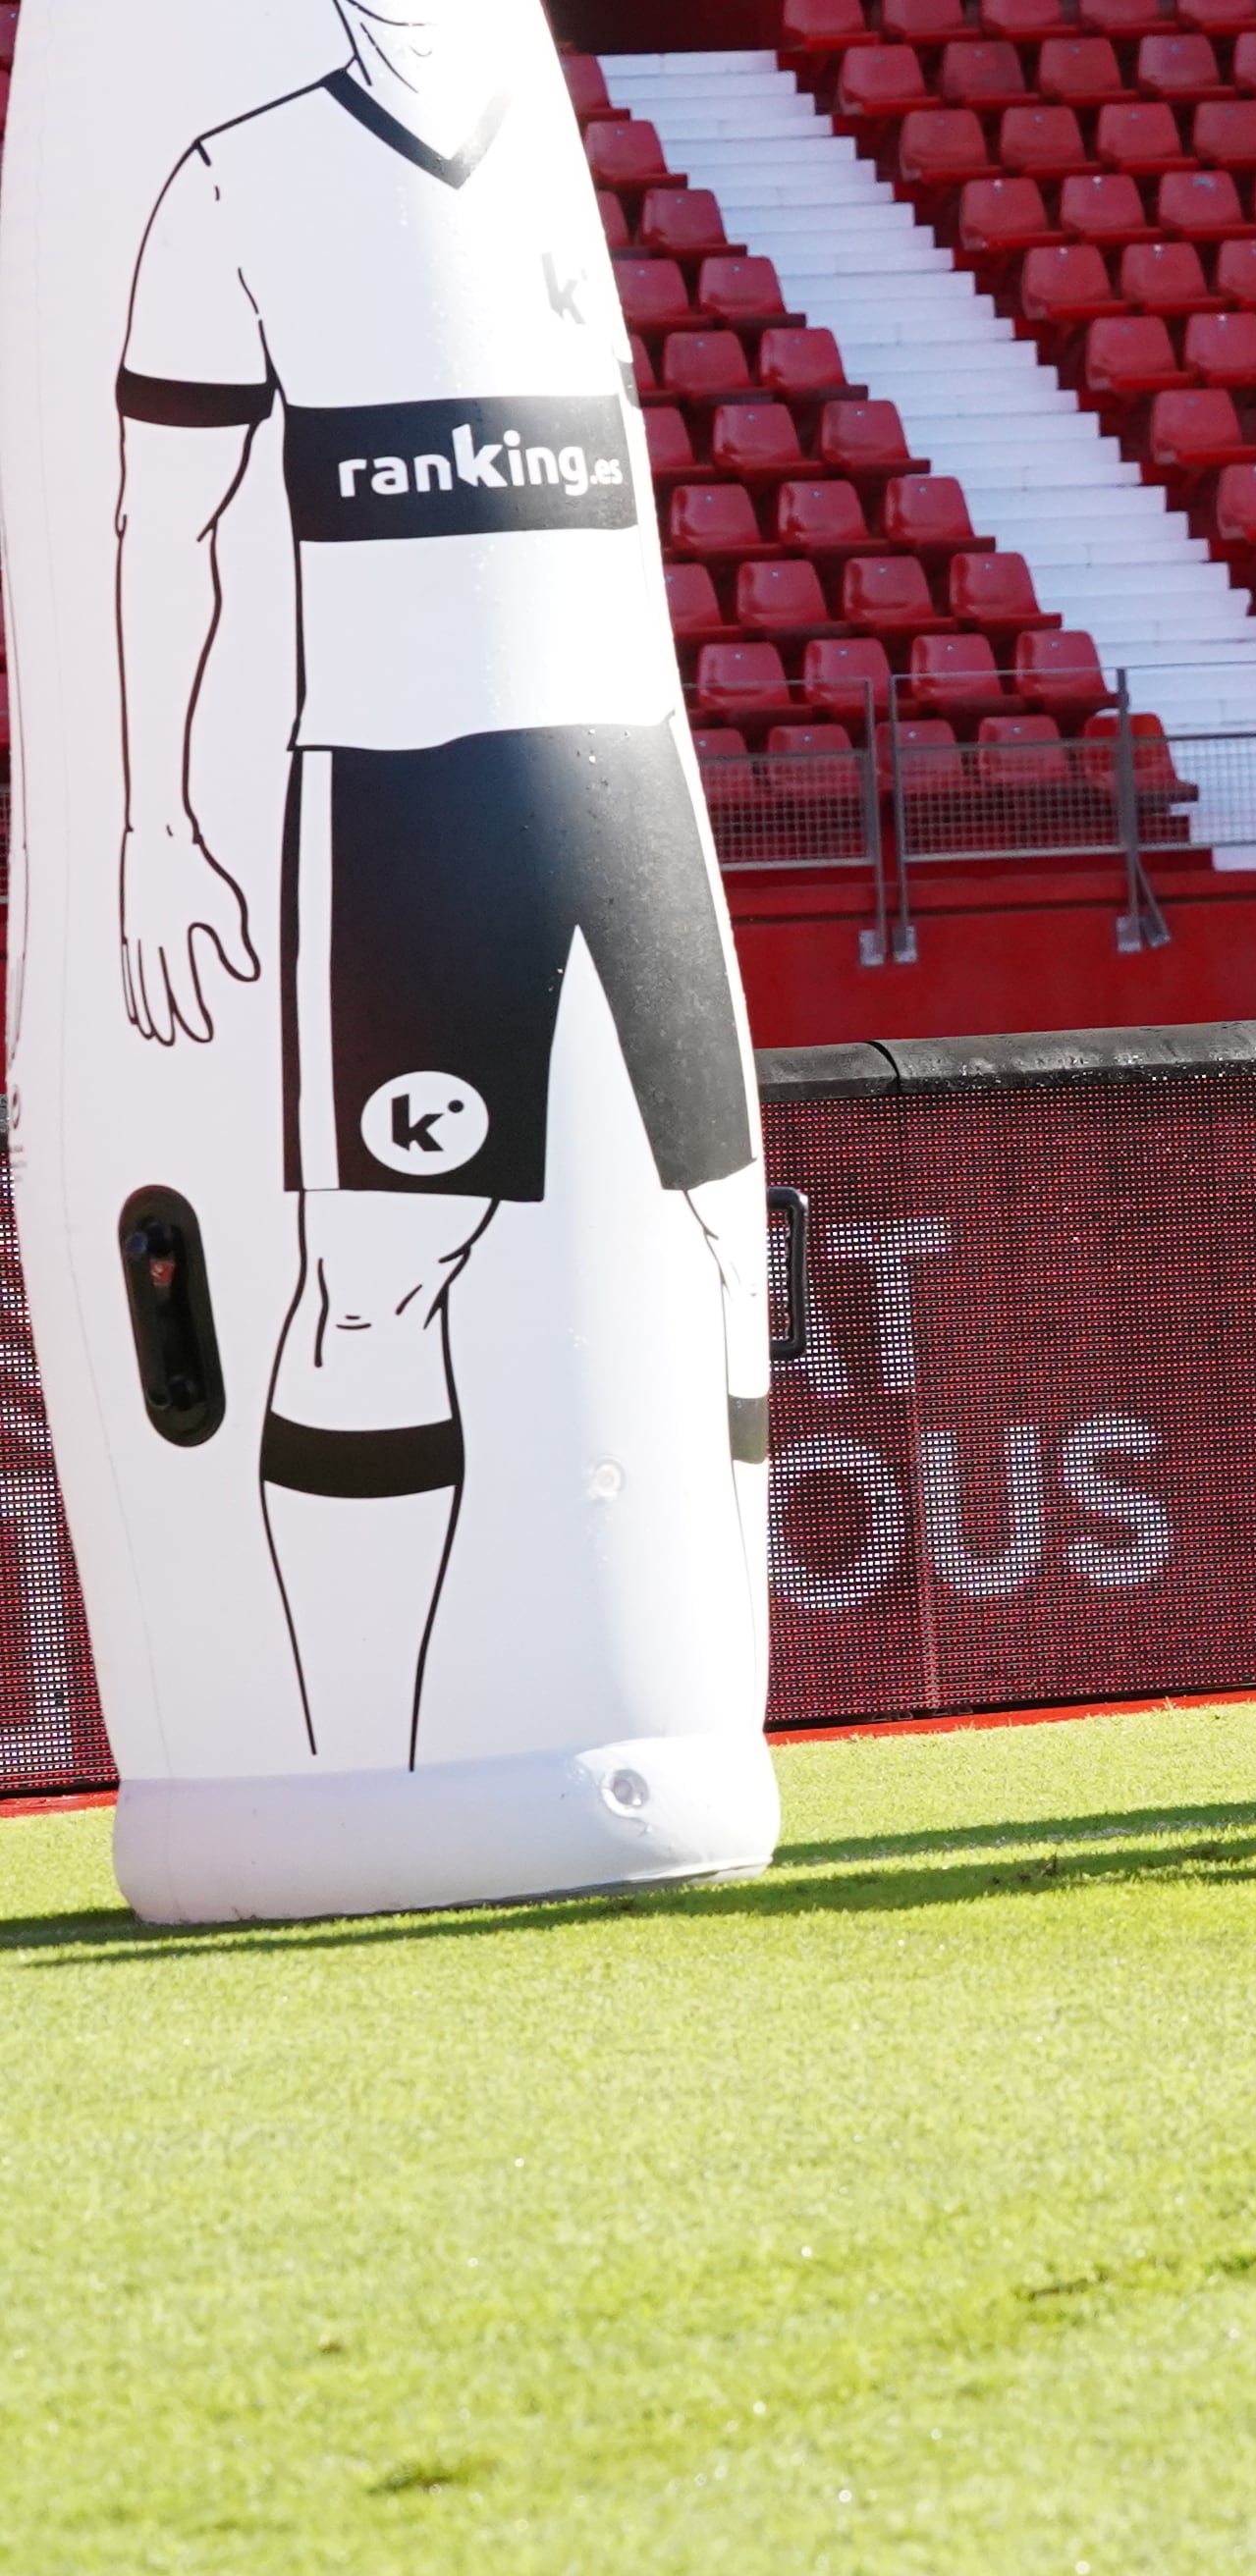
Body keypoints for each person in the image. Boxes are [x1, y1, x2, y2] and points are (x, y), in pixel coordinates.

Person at [113, 0, 766, 1765]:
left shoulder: (536, 152)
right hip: (400, 799)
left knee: (713, 1239)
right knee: (381, 1276)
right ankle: (354, 1767)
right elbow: (161, 523)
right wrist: (160, 825)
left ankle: (711, 1723)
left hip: (619, 774)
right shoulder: (234, 177)